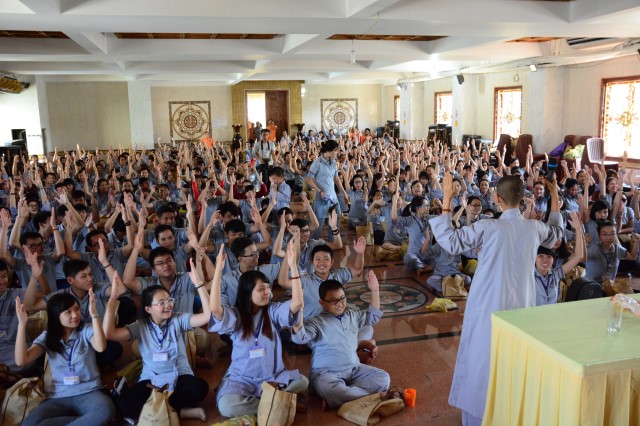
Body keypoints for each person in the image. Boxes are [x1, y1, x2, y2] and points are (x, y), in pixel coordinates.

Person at [430, 174, 564, 425]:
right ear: (522, 198)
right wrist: (554, 196)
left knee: (483, 359)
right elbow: (557, 232)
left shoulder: (488, 226)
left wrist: (447, 200)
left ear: (497, 198)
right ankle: (509, 414)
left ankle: (481, 416)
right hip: (522, 309)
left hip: (488, 307)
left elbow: (451, 241)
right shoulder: (533, 228)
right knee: (514, 362)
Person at [208, 242, 308, 418]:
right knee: (227, 406)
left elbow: (297, 303)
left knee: (302, 382)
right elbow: (215, 309)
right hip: (243, 379)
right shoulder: (237, 315)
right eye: (261, 289)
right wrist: (218, 272)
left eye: (268, 288)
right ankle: (279, 403)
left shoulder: (273, 311)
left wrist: (293, 266)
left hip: (272, 377)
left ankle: (271, 402)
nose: (267, 292)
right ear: (248, 292)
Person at [105, 269, 211, 421]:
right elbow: (110, 334)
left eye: (169, 300)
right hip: (151, 380)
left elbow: (206, 316)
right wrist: (113, 298)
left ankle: (156, 409)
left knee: (199, 388)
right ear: (148, 309)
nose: (168, 305)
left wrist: (199, 285)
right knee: (124, 404)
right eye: (161, 303)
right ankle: (182, 412)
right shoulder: (140, 326)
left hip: (179, 376)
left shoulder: (178, 319)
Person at [14, 291, 115, 426]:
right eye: (68, 312)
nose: (75, 315)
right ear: (56, 316)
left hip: (88, 392)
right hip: (58, 396)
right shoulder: (47, 337)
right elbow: (21, 360)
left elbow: (101, 347)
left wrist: (94, 315)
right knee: (29, 424)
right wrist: (21, 325)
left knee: (106, 410)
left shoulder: (86, 330)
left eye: (77, 309)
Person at [291, 272, 390, 408]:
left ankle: (341, 399)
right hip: (325, 374)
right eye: (333, 301)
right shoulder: (316, 322)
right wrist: (299, 310)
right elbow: (299, 338)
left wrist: (375, 290)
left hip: (354, 368)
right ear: (322, 303)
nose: (339, 304)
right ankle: (366, 396)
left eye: (342, 298)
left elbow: (372, 317)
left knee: (383, 378)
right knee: (330, 389)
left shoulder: (351, 314)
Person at [534, 211, 585, 305]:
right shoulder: (529, 275)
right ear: (534, 258)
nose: (545, 260)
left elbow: (578, 256)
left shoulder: (555, 274)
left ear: (553, 259)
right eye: (541, 256)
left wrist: (578, 229)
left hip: (553, 312)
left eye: (549, 256)